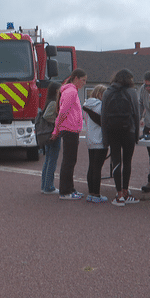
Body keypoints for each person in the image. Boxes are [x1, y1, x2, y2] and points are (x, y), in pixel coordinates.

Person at [101, 69, 141, 206]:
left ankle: (118, 195)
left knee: (116, 161)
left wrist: (105, 137)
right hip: (128, 130)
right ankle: (125, 191)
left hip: (112, 131)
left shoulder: (107, 92)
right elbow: (136, 114)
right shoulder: (132, 92)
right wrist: (137, 135)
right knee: (127, 161)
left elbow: (103, 116)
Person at [51, 69, 87, 200]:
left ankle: (70, 189)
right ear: (75, 78)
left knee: (70, 161)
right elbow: (62, 112)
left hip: (72, 129)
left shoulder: (71, 91)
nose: (84, 83)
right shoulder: (71, 92)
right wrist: (56, 129)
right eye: (83, 80)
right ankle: (65, 191)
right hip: (69, 129)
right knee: (68, 161)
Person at [83, 85, 108, 203]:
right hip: (100, 139)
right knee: (98, 167)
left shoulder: (86, 104)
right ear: (101, 94)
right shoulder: (101, 105)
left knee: (92, 166)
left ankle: (91, 193)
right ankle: (96, 194)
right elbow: (104, 122)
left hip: (90, 139)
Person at [40, 82, 61, 195]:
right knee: (52, 159)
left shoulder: (49, 101)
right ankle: (49, 186)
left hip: (47, 133)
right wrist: (56, 123)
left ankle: (45, 185)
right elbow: (47, 116)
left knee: (48, 159)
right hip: (53, 133)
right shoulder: (54, 102)